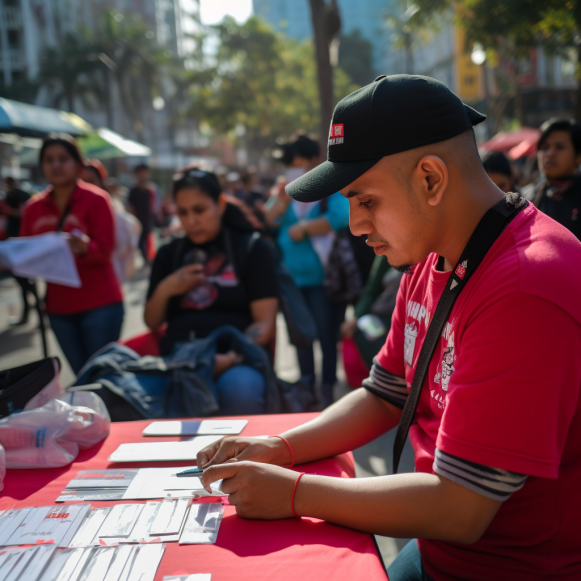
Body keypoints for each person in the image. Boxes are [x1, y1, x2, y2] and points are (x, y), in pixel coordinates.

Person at [196, 75, 581, 581]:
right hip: (439, 551)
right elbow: (386, 393)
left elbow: (461, 508)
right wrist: (282, 447)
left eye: (366, 200)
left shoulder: (525, 286)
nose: (355, 225)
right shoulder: (432, 253)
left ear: (430, 179)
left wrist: (292, 492)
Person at [144, 169, 279, 415]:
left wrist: (232, 357)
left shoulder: (252, 249)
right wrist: (168, 288)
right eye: (183, 212)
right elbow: (151, 320)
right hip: (179, 360)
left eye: (199, 210)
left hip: (235, 359)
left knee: (241, 390)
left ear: (220, 203)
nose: (191, 221)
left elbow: (264, 324)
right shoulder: (168, 254)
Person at [20, 135, 123, 375]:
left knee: (104, 377)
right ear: (42, 165)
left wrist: (86, 248)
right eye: (49, 160)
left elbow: (107, 249)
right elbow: (25, 253)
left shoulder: (97, 199)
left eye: (63, 159)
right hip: (58, 310)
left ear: (78, 163)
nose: (56, 165)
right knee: (83, 376)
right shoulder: (33, 208)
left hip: (100, 304)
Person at [264, 135, 350, 408]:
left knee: (325, 335)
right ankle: (306, 386)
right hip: (292, 279)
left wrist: (304, 229)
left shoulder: (330, 188)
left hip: (323, 279)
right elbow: (269, 219)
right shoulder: (286, 190)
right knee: (300, 336)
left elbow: (341, 217)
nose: (291, 167)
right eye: (287, 164)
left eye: (295, 162)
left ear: (314, 160)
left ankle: (326, 388)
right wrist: (281, 199)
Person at [82, 160, 141, 283]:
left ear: (101, 181)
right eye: (82, 182)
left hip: (108, 278)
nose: (86, 187)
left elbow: (123, 242)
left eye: (91, 181)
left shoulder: (110, 207)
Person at [533, 118, 581, 240]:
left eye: (559, 147)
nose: (549, 153)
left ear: (578, 156)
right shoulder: (527, 200)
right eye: (544, 147)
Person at [3, 177, 34, 326]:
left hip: (19, 243)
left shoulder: (16, 195)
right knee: (23, 280)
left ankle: (40, 306)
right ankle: (32, 310)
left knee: (24, 280)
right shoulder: (19, 193)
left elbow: (24, 213)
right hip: (17, 243)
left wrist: (10, 211)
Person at [128, 163, 156, 265]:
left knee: (148, 239)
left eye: (144, 172)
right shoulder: (133, 190)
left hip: (148, 218)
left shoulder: (150, 189)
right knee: (140, 240)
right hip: (137, 219)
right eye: (139, 173)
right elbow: (131, 206)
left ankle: (149, 258)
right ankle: (146, 258)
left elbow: (154, 205)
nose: (142, 175)